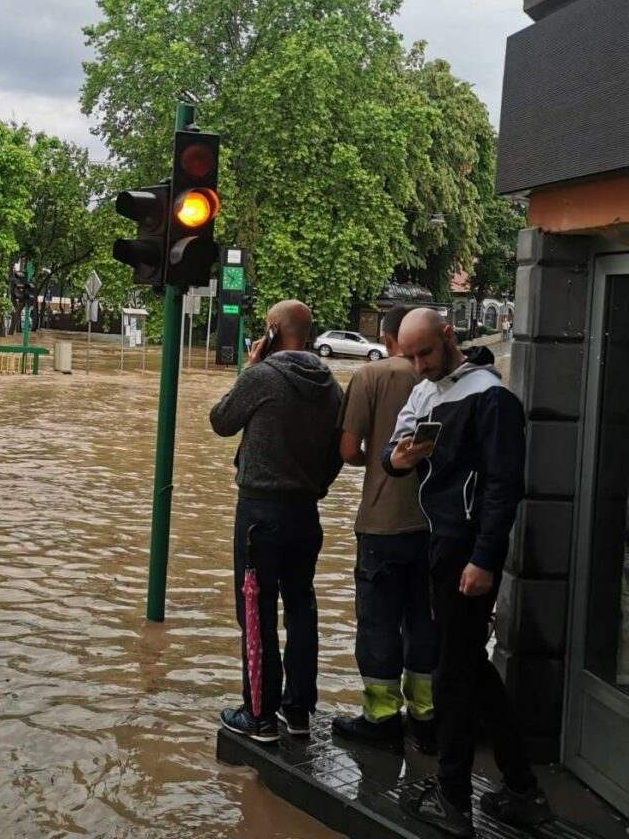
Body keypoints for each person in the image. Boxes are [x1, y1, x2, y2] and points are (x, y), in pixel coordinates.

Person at [383, 308, 552, 837]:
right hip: (442, 544)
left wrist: (485, 558)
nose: (417, 365)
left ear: (449, 337)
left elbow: (504, 487)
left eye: (425, 353)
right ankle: (522, 789)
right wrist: (399, 460)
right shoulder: (425, 391)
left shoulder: (492, 398)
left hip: (467, 552)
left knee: (453, 674)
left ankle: (454, 801)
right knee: (468, 668)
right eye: (409, 356)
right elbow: (393, 455)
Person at [210, 300, 343, 742]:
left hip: (260, 512)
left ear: (271, 330)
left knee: (255, 608)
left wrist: (249, 366)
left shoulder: (263, 376)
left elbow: (221, 421)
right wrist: (316, 486)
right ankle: (298, 710)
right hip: (306, 512)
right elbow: (338, 452)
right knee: (301, 605)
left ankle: (260, 714)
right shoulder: (330, 384)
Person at [331, 305, 437, 753]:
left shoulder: (371, 377)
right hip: (435, 525)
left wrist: (376, 458)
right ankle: (427, 715)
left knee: (378, 622)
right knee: (424, 620)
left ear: (386, 336)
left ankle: (380, 717)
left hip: (381, 523)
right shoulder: (439, 378)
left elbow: (347, 449)